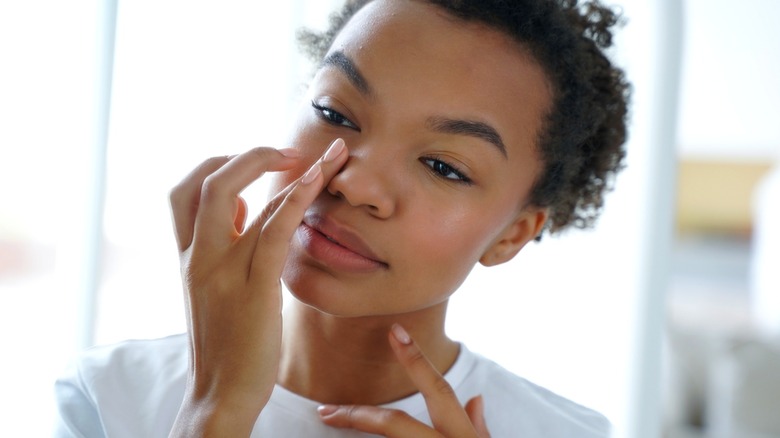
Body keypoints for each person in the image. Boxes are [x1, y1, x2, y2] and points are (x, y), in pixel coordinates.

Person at [54, 0, 629, 436]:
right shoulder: (107, 397)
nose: (354, 183)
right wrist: (214, 410)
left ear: (512, 233)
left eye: (443, 166)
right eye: (333, 111)